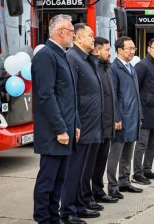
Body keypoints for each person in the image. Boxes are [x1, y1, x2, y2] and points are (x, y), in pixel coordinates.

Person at [32, 14, 80, 224]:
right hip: (54, 132)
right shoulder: (46, 55)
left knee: (59, 180)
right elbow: (46, 95)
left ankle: (53, 217)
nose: (73, 36)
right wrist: (60, 128)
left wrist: (75, 124)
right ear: (61, 32)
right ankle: (43, 219)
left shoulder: (61, 55)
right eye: (71, 31)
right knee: (47, 180)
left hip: (66, 130)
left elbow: (69, 94)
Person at [60, 23, 101, 224]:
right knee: (74, 170)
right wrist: (76, 123)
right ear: (77, 38)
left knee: (84, 169)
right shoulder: (72, 58)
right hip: (81, 125)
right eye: (90, 36)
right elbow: (71, 95)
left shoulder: (87, 59)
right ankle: (67, 212)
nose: (93, 39)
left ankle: (79, 205)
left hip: (92, 124)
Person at [81, 37, 119, 204]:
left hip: (108, 124)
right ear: (96, 50)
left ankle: (98, 191)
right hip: (96, 125)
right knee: (89, 165)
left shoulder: (106, 69)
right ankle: (86, 195)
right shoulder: (93, 69)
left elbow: (112, 97)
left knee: (100, 162)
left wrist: (115, 117)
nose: (109, 53)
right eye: (107, 50)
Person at [107, 36, 143, 199]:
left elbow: (136, 95)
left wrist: (139, 115)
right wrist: (116, 118)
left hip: (133, 118)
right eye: (129, 48)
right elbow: (113, 96)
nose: (132, 51)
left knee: (128, 152)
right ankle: (113, 185)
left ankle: (125, 181)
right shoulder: (113, 69)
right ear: (119, 50)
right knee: (116, 153)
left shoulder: (131, 68)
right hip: (121, 119)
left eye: (133, 48)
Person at [132, 38, 154, 185]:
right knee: (141, 144)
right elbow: (135, 89)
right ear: (148, 49)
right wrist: (138, 112)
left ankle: (147, 169)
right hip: (145, 112)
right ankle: (137, 173)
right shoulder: (142, 66)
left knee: (153, 144)